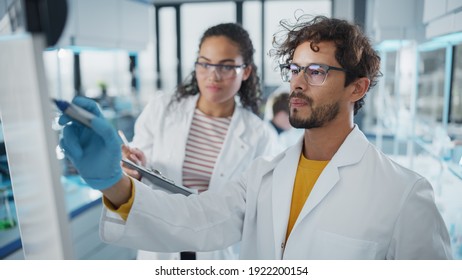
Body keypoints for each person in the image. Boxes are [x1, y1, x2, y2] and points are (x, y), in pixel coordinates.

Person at [60, 15, 452, 259]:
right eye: (294, 69)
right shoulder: (265, 175)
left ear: (357, 88)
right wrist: (112, 181)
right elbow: (194, 218)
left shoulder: (404, 195)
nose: (297, 83)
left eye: (316, 71)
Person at [119, 23, 278, 260]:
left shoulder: (260, 136)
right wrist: (136, 167)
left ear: (245, 71)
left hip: (218, 253)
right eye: (205, 63)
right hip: (162, 247)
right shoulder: (163, 109)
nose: (213, 75)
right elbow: (139, 161)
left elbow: (259, 208)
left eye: (226, 66)